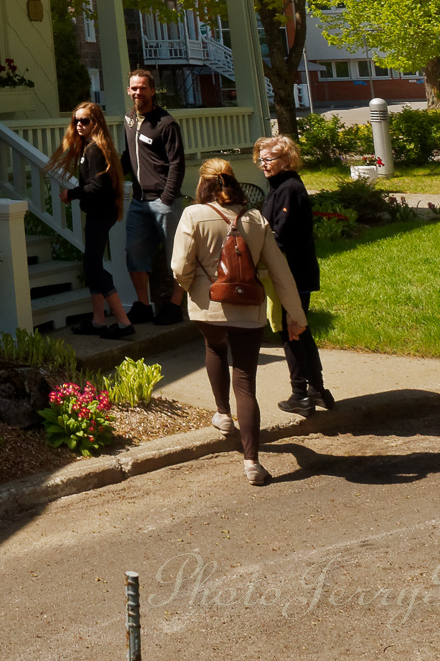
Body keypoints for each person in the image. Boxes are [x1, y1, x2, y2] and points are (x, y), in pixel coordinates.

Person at [171, 157, 308, 486]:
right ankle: (252, 463)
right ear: (233, 182)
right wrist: (295, 315)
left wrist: (193, 287)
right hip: (250, 309)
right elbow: (281, 272)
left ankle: (222, 414)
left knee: (214, 349)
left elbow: (179, 267)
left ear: (202, 184)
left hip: (209, 306)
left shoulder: (193, 214)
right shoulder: (256, 218)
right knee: (245, 382)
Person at [258, 134, 335, 414]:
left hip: (292, 273)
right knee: (300, 331)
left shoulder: (288, 189)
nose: (263, 164)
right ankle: (317, 390)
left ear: (287, 160)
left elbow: (282, 235)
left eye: (269, 159)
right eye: (261, 159)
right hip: (293, 271)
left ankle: (300, 394)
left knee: (292, 330)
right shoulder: (280, 186)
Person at [50, 101, 135, 339]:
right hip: (99, 213)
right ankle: (98, 321)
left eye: (84, 120)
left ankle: (123, 321)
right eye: (76, 120)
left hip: (101, 214)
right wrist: (77, 193)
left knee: (93, 267)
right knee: (93, 266)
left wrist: (72, 193)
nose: (79, 124)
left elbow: (98, 186)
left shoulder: (95, 149)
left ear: (95, 123)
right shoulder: (90, 146)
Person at [122, 68, 185, 325]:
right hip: (139, 202)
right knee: (134, 254)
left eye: (142, 88)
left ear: (152, 90)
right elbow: (128, 157)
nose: (138, 92)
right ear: (129, 91)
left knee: (177, 258)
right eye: (133, 88)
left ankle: (174, 307)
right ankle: (143, 305)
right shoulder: (129, 119)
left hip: (163, 201)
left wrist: (167, 199)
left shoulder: (166, 123)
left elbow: (177, 164)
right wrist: (111, 174)